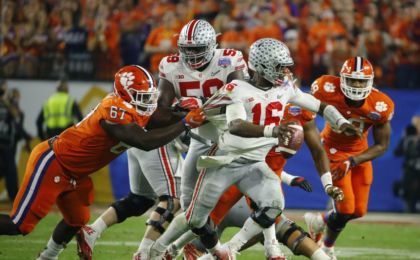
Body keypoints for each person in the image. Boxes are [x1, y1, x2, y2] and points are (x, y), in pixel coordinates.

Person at [149, 38, 359, 260]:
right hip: (226, 161)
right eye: (280, 66)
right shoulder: (236, 88)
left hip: (255, 164)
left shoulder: (285, 87)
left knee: (274, 205)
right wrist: (273, 131)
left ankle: (231, 248)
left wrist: (341, 123)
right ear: (263, 65)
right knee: (195, 219)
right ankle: (159, 249)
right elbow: (236, 125)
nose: (286, 71)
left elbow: (319, 105)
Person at [77, 19, 248, 260]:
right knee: (181, 201)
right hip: (195, 139)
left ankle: (160, 250)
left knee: (145, 200)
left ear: (212, 44)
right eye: (186, 49)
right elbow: (159, 114)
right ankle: (171, 250)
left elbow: (240, 99)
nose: (190, 55)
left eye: (197, 49)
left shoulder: (229, 59)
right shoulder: (170, 65)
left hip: (227, 136)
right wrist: (184, 114)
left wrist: (198, 110)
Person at [0, 65, 206, 260]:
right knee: (19, 225)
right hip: (55, 162)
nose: (147, 102)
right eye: (141, 97)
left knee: (77, 219)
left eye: (148, 96)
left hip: (75, 174)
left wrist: (187, 112)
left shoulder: (133, 106)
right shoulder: (114, 109)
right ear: (125, 95)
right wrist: (185, 122)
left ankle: (47, 257)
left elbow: (157, 118)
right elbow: (144, 142)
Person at [174, 103, 340, 260]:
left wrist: (294, 179)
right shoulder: (247, 103)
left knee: (275, 222)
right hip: (230, 183)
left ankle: (261, 248)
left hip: (253, 186)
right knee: (198, 230)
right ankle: (172, 248)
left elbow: (310, 152)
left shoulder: (298, 111)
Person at [304, 57, 394, 259]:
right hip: (333, 152)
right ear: (342, 78)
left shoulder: (380, 104)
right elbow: (305, 112)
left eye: (361, 81)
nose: (356, 85)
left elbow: (382, 145)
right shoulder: (325, 87)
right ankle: (327, 247)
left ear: (370, 82)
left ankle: (319, 221)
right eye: (352, 80)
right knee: (345, 208)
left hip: (359, 156)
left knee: (359, 211)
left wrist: (354, 160)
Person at [394, 115, 420, 213]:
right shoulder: (407, 138)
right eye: (415, 124)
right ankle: (409, 211)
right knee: (408, 192)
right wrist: (405, 139)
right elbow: (397, 152)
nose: (417, 126)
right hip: (410, 170)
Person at [0, 80, 19, 202]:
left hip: (6, 142)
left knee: (10, 171)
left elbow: (16, 114)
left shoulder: (9, 102)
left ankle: (14, 198)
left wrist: (6, 101)